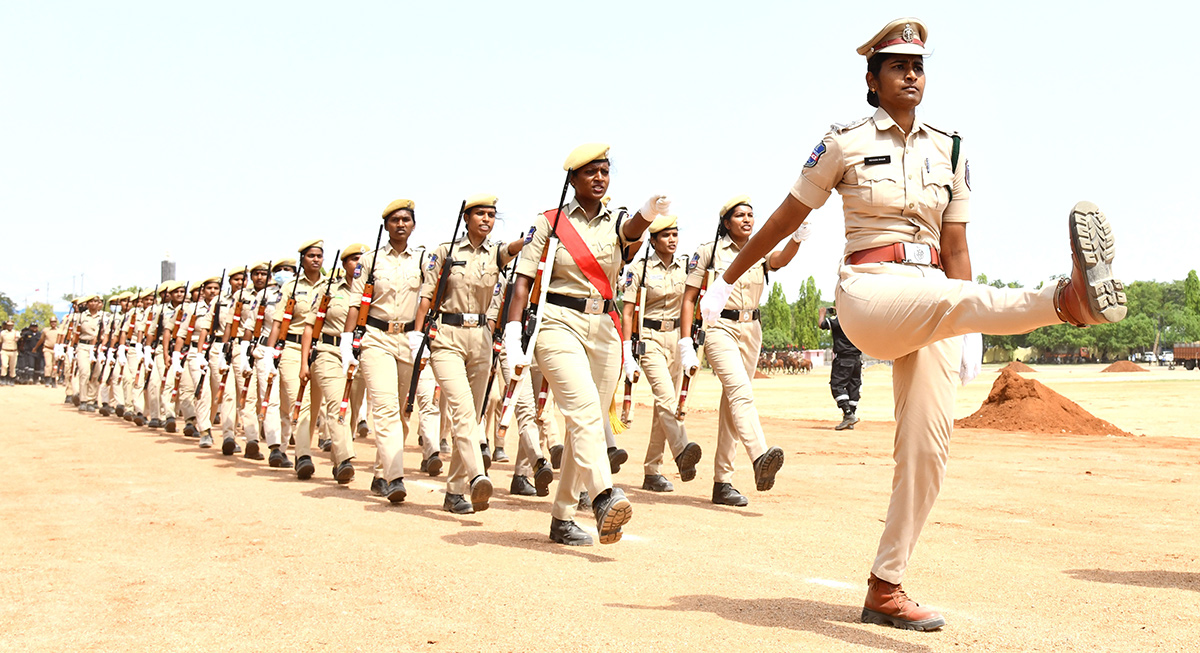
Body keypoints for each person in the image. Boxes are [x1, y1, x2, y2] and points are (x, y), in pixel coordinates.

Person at [706, 17, 1127, 631]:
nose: (911, 74)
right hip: (870, 293)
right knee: (950, 303)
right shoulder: (842, 141)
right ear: (871, 79)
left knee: (928, 450)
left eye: (919, 66)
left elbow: (955, 245)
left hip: (936, 290)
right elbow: (786, 213)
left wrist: (972, 336)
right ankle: (1068, 299)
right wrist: (725, 279)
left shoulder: (950, 146)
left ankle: (886, 585)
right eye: (898, 65)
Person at [503, 143, 669, 546]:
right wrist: (511, 330)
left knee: (586, 423)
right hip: (558, 323)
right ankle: (603, 495)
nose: (599, 178)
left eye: (605, 171)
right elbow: (523, 278)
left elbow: (628, 239)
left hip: (605, 326)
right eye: (591, 172)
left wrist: (646, 216)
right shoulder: (549, 222)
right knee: (582, 412)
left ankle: (562, 518)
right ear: (573, 178)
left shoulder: (619, 218)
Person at [679, 196, 807, 507]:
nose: (747, 219)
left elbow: (779, 261)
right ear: (726, 222)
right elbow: (689, 297)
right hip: (720, 327)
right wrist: (686, 341)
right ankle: (760, 456)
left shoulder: (759, 248)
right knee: (740, 393)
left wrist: (797, 238)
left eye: (751, 214)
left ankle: (722, 483)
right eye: (740, 215)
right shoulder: (709, 251)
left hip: (753, 329)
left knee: (731, 407)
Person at [414, 194, 531, 513]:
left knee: (473, 413)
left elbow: (512, 249)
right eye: (479, 213)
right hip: (447, 336)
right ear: (466, 218)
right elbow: (427, 296)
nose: (486, 219)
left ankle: (453, 492)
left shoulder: (495, 253)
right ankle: (477, 474)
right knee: (464, 411)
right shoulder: (445, 252)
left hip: (480, 337)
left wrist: (533, 236)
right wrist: (416, 334)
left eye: (491, 215)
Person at [342, 199, 431, 504]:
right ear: (386, 226)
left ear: (413, 225)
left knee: (404, 410)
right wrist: (347, 341)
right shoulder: (369, 261)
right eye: (395, 220)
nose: (401, 224)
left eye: (406, 219)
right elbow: (355, 303)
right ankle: (395, 477)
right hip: (375, 337)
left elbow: (428, 298)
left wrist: (421, 335)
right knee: (384, 407)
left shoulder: (422, 260)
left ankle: (381, 472)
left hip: (408, 338)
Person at [620, 215, 702, 492]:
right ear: (653, 240)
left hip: (678, 339)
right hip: (650, 338)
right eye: (666, 235)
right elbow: (628, 311)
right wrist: (626, 347)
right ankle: (682, 451)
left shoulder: (686, 268)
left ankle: (652, 471)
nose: (672, 240)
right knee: (667, 397)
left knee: (661, 409)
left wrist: (689, 341)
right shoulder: (639, 270)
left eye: (675, 234)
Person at [300, 244, 366, 484]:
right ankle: (346, 460)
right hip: (329, 351)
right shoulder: (329, 290)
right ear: (343, 264)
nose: (358, 263)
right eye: (353, 259)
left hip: (360, 353)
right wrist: (304, 362)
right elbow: (310, 326)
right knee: (339, 405)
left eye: (362, 259)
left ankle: (339, 462)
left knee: (352, 413)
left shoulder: (374, 290)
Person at [269, 241, 325, 479]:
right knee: (298, 402)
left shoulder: (331, 284)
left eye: (319, 256)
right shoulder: (291, 287)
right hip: (292, 348)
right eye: (311, 256)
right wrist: (269, 352)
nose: (315, 259)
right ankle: (302, 456)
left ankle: (304, 447)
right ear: (302, 259)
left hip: (320, 348)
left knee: (314, 407)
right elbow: (279, 321)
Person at [819, 306, 863, 430]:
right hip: (857, 359)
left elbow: (822, 325)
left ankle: (848, 415)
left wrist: (822, 313)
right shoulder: (859, 320)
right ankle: (850, 417)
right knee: (853, 387)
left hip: (843, 359)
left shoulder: (841, 319)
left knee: (837, 386)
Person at [0, 320, 18, 385]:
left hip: (13, 351)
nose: (10, 327)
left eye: (11, 325)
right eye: (8, 325)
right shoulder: (3, 333)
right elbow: (0, 341)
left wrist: (17, 339)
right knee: (4, 365)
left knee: (12, 366)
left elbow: (18, 339)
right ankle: (3, 379)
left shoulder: (16, 332)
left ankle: (12, 379)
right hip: (5, 350)